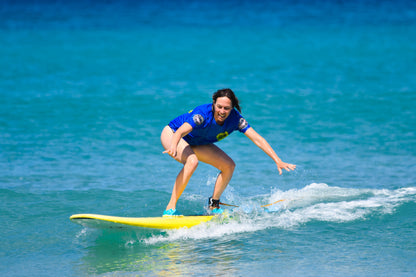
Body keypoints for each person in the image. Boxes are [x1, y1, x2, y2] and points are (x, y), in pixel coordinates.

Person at [160, 88, 296, 216]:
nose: (222, 111)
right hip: (173, 134)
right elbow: (181, 131)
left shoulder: (236, 120)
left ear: (232, 108)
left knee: (229, 166)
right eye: (219, 107)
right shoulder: (201, 115)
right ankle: (170, 209)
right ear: (213, 104)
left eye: (226, 108)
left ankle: (213, 205)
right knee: (192, 161)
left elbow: (257, 139)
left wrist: (277, 160)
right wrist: (173, 145)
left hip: (198, 142)